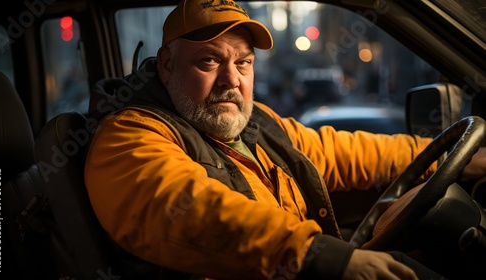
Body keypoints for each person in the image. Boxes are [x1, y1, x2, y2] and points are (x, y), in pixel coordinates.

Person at [84, 0, 486, 279]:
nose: (231, 79)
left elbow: (344, 152)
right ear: (168, 65)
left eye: (243, 62)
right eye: (209, 60)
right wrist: (323, 258)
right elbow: (189, 209)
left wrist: (452, 156)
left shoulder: (258, 124)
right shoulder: (130, 136)